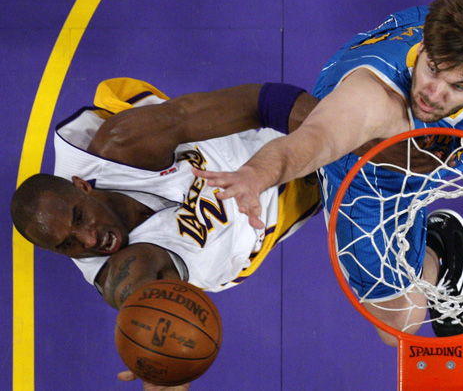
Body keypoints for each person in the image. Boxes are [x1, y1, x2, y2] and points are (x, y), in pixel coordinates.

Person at [196, 0, 463, 391]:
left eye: (459, 86)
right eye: (433, 68)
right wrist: (257, 175)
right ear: (422, 46)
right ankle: (438, 253)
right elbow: (311, 142)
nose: (433, 92)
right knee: (398, 326)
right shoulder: (374, 98)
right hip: (369, 156)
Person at [11, 77, 322, 391]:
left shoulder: (125, 144)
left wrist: (335, 129)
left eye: (80, 217)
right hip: (273, 219)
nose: (89, 241)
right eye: (68, 244)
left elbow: (265, 102)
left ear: (83, 186)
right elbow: (140, 295)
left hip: (271, 147)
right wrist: (160, 354)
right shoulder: (116, 275)